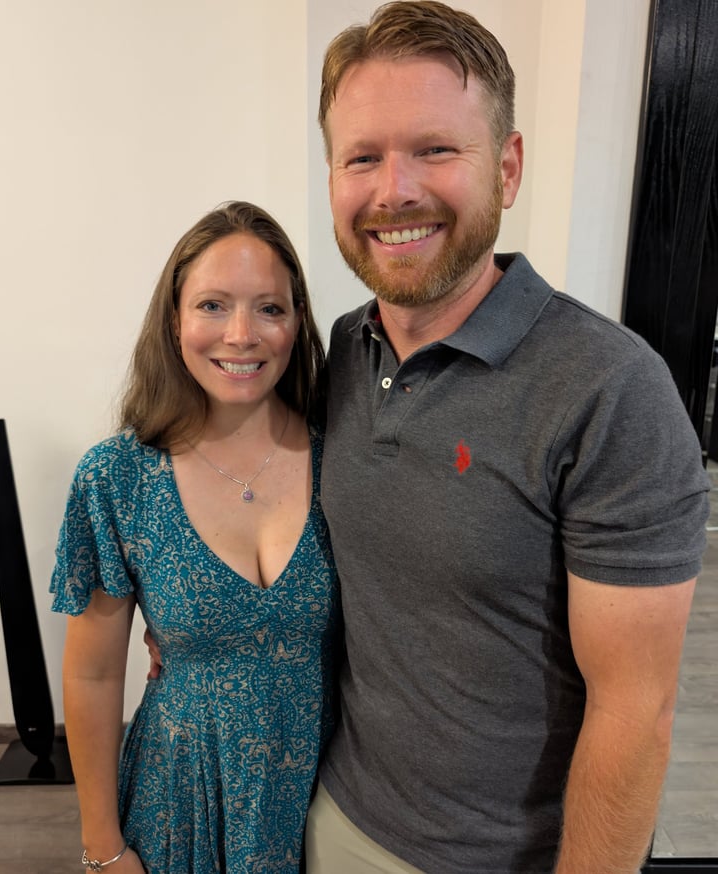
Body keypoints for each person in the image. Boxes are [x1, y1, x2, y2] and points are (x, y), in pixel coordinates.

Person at [303, 2, 710, 873]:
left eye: (436, 150)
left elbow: (636, 711)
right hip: (334, 814)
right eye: (362, 157)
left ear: (509, 166)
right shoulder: (340, 350)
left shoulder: (611, 389)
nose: (394, 190)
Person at [51, 201, 341, 873]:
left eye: (269, 308)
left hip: (333, 801)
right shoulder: (117, 479)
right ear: (174, 320)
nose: (241, 334)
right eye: (213, 305)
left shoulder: (344, 463)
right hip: (182, 799)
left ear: (297, 324)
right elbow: (92, 673)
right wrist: (102, 848)